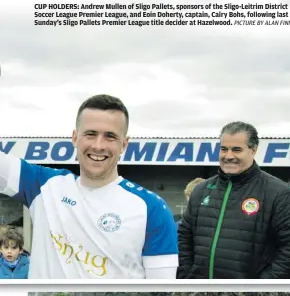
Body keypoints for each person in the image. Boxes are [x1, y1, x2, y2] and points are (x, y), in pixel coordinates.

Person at [0, 94, 178, 279]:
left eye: (110, 136)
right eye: (90, 134)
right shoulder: (44, 186)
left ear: (124, 144)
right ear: (75, 138)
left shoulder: (152, 208)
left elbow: (162, 289)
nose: (98, 145)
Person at [177, 121, 290, 279]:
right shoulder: (201, 190)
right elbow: (184, 237)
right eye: (223, 149)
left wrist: (259, 289)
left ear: (253, 150)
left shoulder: (280, 194)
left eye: (236, 150)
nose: (228, 156)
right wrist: (188, 278)